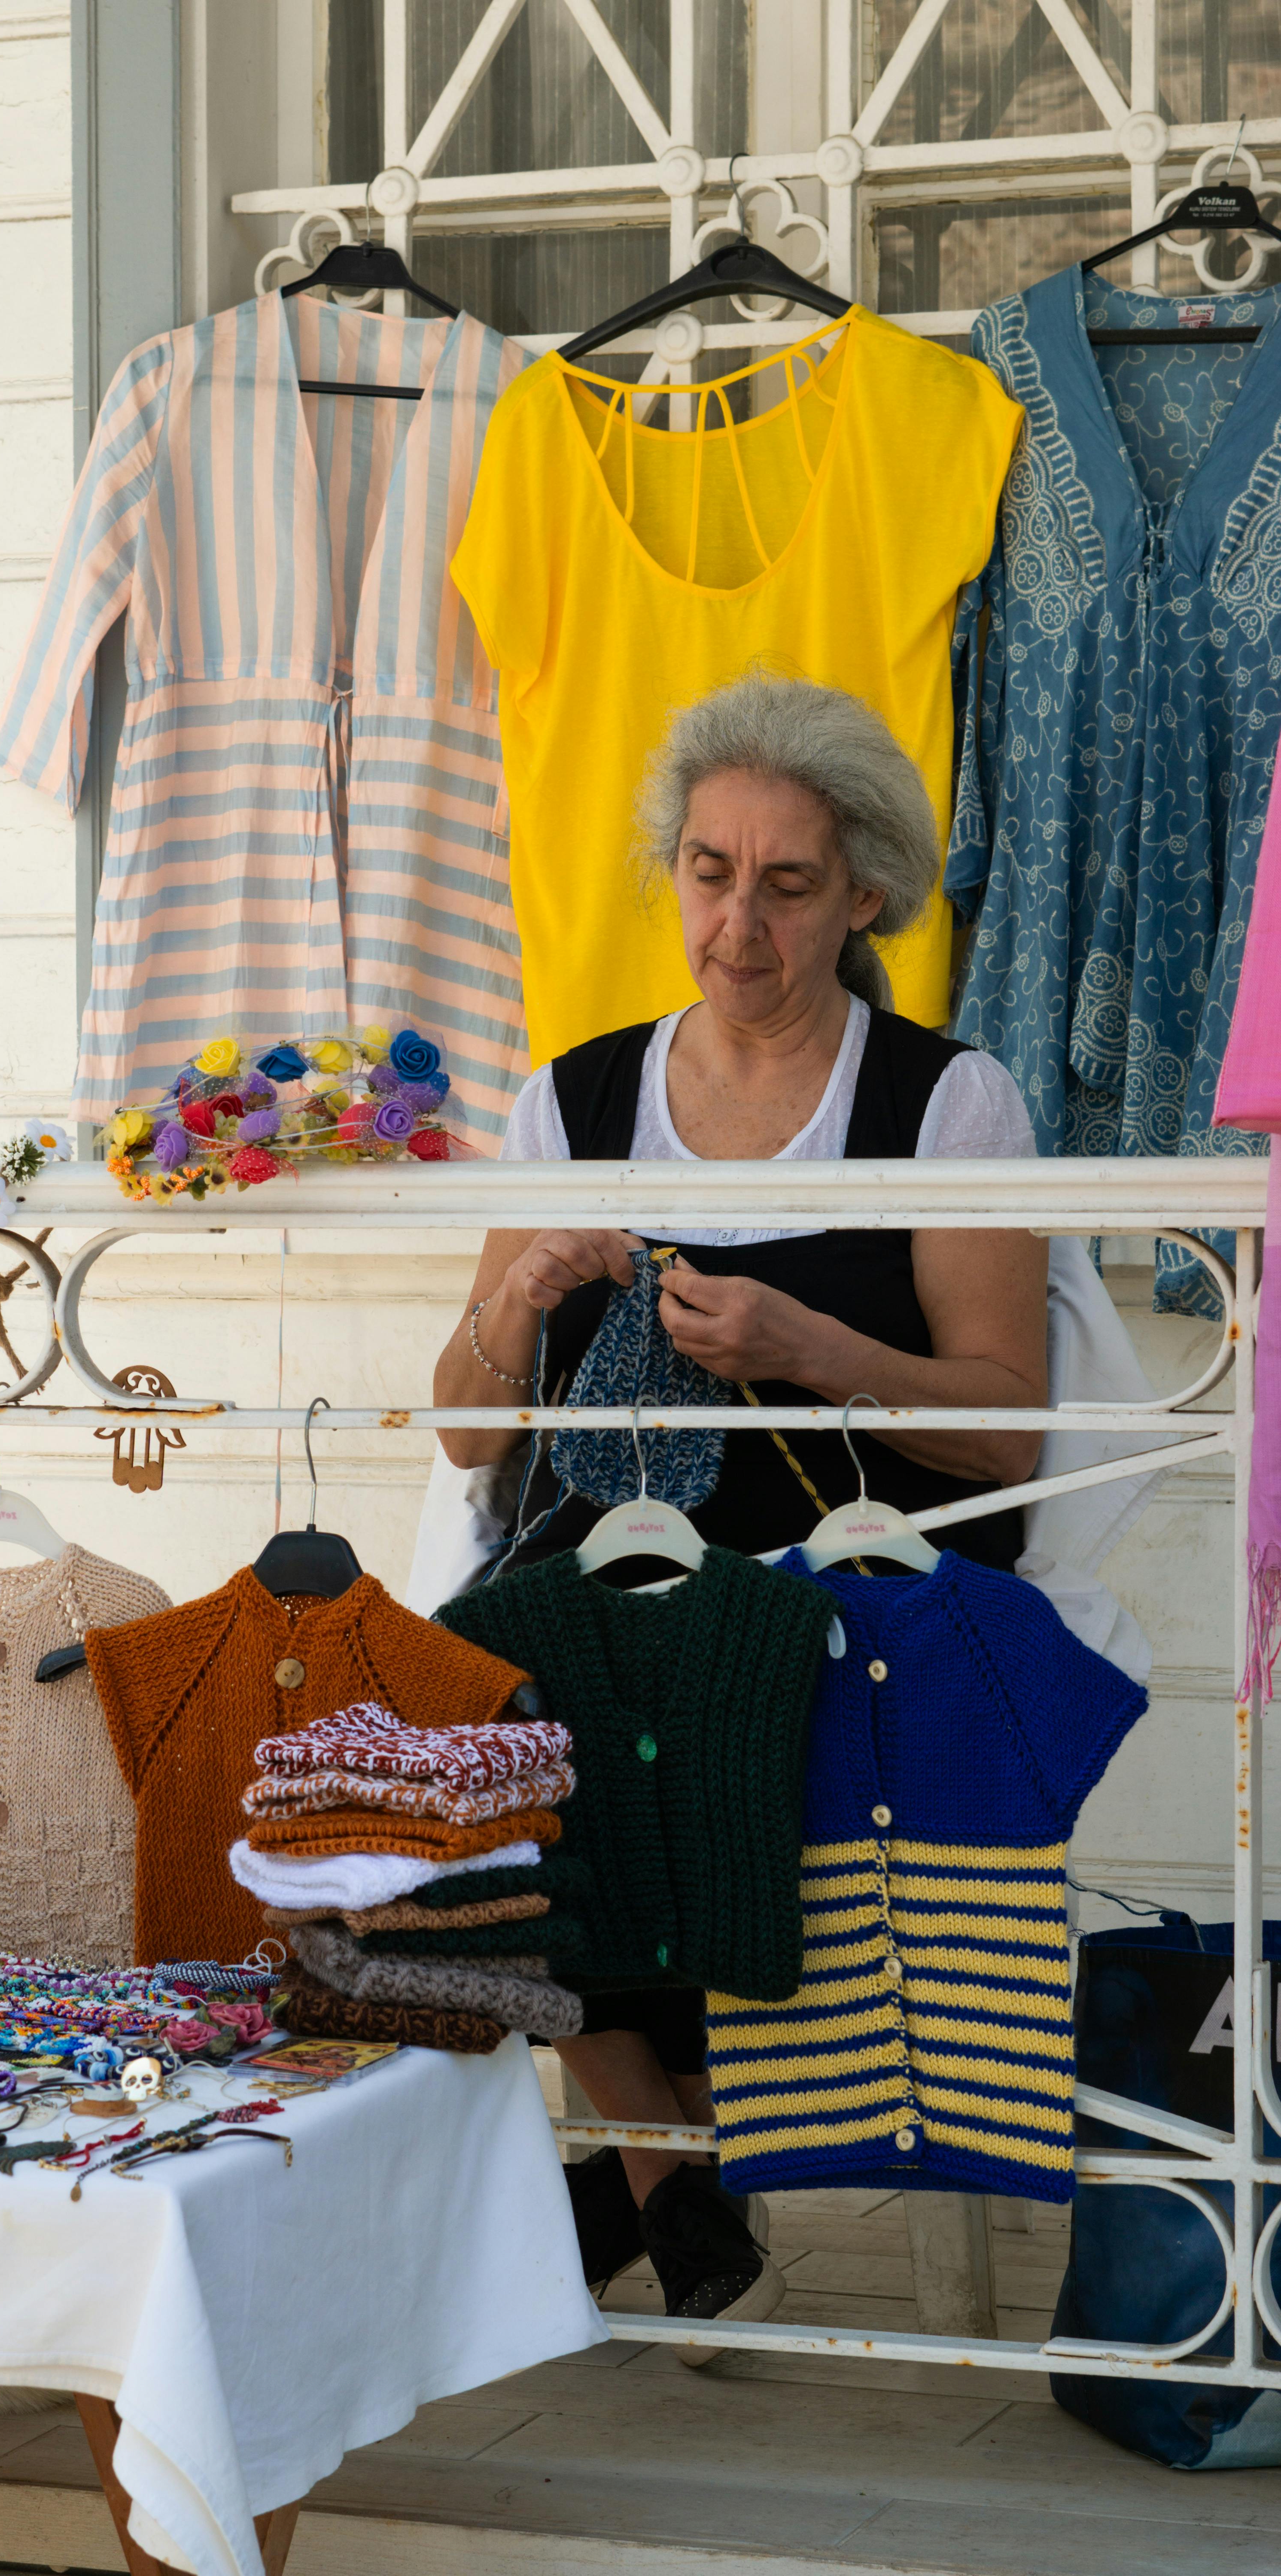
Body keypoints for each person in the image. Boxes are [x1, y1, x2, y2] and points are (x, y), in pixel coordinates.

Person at [430, 673, 1049, 2336]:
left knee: (674, 1712)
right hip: (605, 1578)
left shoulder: (948, 1103)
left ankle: (639, 2167)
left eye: (787, 887)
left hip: (858, 1583)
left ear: (865, 898)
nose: (739, 924)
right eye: (710, 872)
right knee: (429, 1739)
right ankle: (663, 2162)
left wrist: (811, 1346)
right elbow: (468, 1434)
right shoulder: (575, 1098)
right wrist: (520, 1298)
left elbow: (1010, 1439)